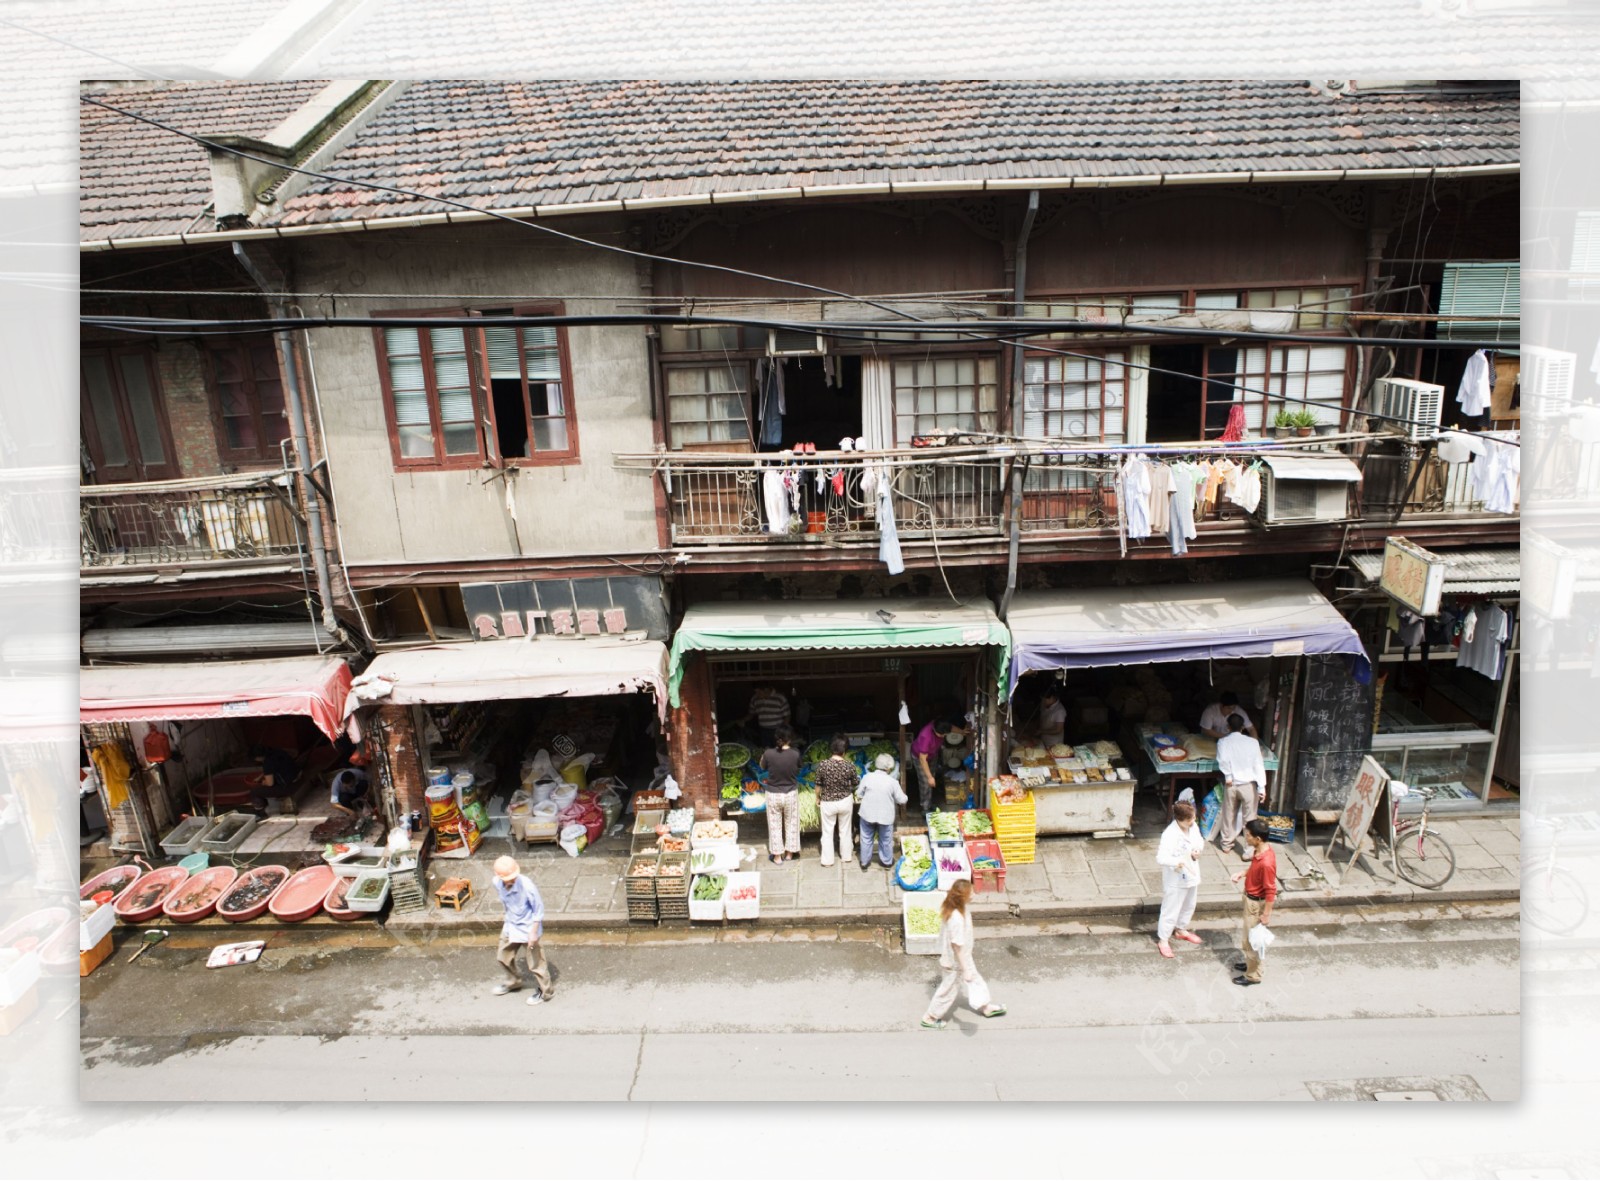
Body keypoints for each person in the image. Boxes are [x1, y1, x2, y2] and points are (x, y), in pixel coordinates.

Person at [920, 879, 1007, 1028]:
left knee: (976, 980)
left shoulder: (956, 906)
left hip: (963, 957)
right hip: (956, 962)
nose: (974, 894)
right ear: (963, 897)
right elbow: (956, 947)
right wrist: (965, 969)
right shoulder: (956, 919)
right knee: (948, 990)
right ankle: (930, 1017)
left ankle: (985, 1006)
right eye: (971, 892)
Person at [491, 855, 555, 1005]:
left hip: (528, 929)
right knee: (503, 956)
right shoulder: (497, 883)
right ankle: (514, 981)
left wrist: (533, 933)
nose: (511, 880)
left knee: (536, 963)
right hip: (511, 926)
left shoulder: (527, 886)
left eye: (513, 877)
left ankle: (546, 992)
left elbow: (538, 911)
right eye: (508, 879)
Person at [1229, 819, 1278, 987]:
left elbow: (1271, 889)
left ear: (1258, 838)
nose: (1246, 837)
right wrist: (1242, 873)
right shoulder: (1261, 851)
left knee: (1252, 942)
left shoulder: (1266, 862)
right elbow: (1254, 870)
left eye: (1248, 835)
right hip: (1251, 899)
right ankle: (1250, 964)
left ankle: (1253, 975)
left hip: (1256, 905)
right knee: (1248, 939)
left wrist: (1266, 914)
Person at [1154, 800, 1205, 958]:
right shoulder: (1169, 834)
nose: (1192, 822)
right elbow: (1161, 857)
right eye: (1189, 820)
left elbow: (1199, 840)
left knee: (1189, 904)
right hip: (1176, 877)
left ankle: (1181, 929)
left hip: (1191, 873)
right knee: (1171, 909)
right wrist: (1177, 862)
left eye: (1193, 819)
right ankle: (1163, 939)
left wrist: (1197, 849)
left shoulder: (1192, 827)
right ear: (1179, 819)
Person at [1214, 713, 1267, 859]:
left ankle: (1226, 844)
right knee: (1249, 819)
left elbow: (1223, 760)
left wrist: (1228, 776)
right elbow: (1258, 765)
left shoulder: (1223, 742)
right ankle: (1248, 852)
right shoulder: (1253, 743)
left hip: (1231, 785)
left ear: (1228, 727)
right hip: (1249, 786)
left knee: (1228, 814)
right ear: (1243, 727)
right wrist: (1262, 787)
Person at [814, 735, 859, 868]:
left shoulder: (823, 765)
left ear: (831, 750)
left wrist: (817, 797)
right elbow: (855, 783)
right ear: (844, 751)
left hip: (828, 803)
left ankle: (827, 861)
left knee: (827, 832)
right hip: (845, 801)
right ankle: (846, 857)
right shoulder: (849, 765)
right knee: (845, 830)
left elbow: (817, 786)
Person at [855, 752, 906, 870]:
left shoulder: (867, 777)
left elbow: (859, 793)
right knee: (886, 839)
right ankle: (887, 862)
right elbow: (901, 799)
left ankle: (864, 862)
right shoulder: (892, 782)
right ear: (889, 768)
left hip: (867, 814)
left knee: (866, 838)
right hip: (885, 816)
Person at [759, 725, 802, 863]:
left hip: (773, 794)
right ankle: (789, 854)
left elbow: (762, 766)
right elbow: (799, 767)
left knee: (774, 824)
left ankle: (777, 856)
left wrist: (764, 756)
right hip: (790, 793)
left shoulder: (768, 753)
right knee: (791, 823)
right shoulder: (796, 754)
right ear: (790, 738)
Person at [911, 716, 965, 812]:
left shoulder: (940, 724)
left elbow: (951, 727)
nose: (943, 736)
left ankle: (929, 801)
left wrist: (962, 731)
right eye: (942, 735)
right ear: (935, 731)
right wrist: (929, 777)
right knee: (926, 782)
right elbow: (923, 759)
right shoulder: (926, 737)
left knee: (932, 778)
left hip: (932, 754)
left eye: (945, 734)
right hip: (920, 757)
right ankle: (925, 807)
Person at [247, 746, 300, 817]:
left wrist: (263, 782)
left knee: (254, 792)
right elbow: (273, 768)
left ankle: (260, 813)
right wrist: (259, 777)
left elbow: (270, 784)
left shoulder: (268, 763)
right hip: (297, 777)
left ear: (257, 757)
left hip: (289, 786)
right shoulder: (277, 752)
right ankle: (264, 806)